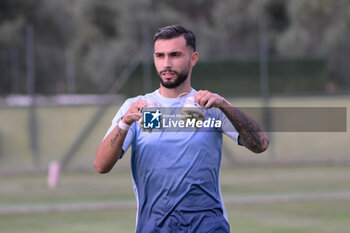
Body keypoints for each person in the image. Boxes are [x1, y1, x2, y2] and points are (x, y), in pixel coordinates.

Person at [94, 25, 269, 233]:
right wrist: (125, 122)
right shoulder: (137, 107)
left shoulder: (209, 105)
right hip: (155, 227)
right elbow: (101, 165)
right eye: (160, 56)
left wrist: (225, 105)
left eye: (175, 55)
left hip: (208, 227)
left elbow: (261, 144)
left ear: (193, 58)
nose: (166, 63)